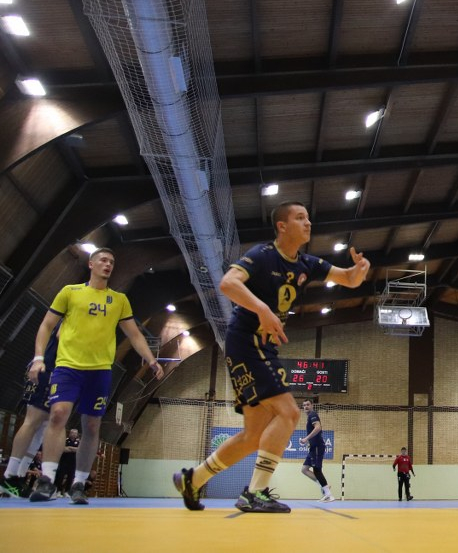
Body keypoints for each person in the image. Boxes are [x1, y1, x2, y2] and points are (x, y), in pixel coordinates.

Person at [173, 201, 370, 513]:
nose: (308, 223)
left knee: (253, 436)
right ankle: (255, 493)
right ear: (282, 226)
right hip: (246, 342)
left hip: (261, 347)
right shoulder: (263, 255)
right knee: (290, 413)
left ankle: (193, 480)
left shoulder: (306, 263)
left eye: (308, 217)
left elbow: (347, 279)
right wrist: (262, 308)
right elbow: (227, 283)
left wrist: (359, 271)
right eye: (300, 217)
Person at [28, 247, 165, 504]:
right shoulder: (70, 292)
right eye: (103, 260)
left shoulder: (119, 300)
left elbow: (134, 334)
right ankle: (46, 479)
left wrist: (151, 359)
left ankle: (79, 484)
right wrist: (38, 358)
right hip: (67, 366)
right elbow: (46, 325)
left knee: (91, 426)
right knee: (58, 415)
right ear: (91, 264)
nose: (108, 264)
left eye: (111, 261)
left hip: (100, 370)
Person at [0, 323, 61, 498]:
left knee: (42, 427)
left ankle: (18, 477)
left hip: (53, 372)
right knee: (33, 421)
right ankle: (9, 476)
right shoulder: (72, 315)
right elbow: (61, 336)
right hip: (48, 371)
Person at [299, 399, 334, 502]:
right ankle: (324, 486)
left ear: (312, 405)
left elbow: (318, 427)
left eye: (308, 404)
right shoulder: (309, 417)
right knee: (304, 469)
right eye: (304, 405)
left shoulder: (313, 415)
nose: (306, 406)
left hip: (317, 447)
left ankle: (329, 495)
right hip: (313, 448)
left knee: (317, 470)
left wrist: (306, 438)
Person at [54, 428, 80, 497]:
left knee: (70, 477)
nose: (73, 434)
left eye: (75, 433)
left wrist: (70, 448)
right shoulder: (65, 440)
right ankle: (58, 491)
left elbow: (79, 450)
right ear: (70, 433)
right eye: (72, 433)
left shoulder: (78, 442)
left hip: (73, 462)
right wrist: (73, 449)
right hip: (64, 461)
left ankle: (67, 491)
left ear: (77, 434)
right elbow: (63, 449)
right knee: (60, 476)